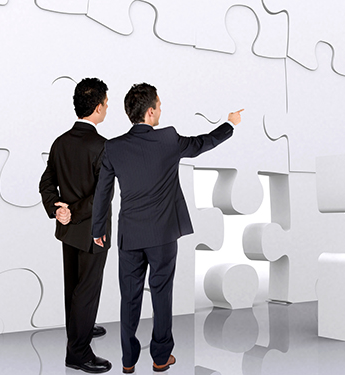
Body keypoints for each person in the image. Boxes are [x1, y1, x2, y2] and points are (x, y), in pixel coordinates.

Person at [91, 82, 243, 373]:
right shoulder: (168, 139)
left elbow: (103, 192)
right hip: (162, 235)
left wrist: (98, 229)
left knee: (129, 297)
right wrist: (229, 123)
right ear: (150, 111)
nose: (161, 109)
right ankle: (161, 357)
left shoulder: (113, 147)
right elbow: (203, 144)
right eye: (159, 105)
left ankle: (128, 361)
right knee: (162, 294)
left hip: (130, 236)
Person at [39, 78, 112, 373]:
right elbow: (102, 196)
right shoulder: (102, 146)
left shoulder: (60, 142)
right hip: (93, 231)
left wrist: (58, 209)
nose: (106, 108)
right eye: (106, 104)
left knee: (74, 286)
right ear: (97, 108)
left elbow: (46, 182)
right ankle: (78, 354)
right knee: (88, 289)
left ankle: (79, 328)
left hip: (68, 230)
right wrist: (72, 211)